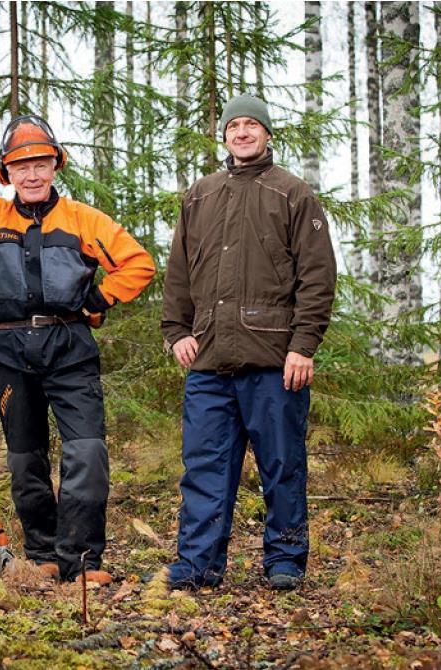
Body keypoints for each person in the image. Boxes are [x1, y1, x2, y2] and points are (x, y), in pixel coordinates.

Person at [0, 111, 156, 584]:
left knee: (86, 454)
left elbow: (138, 263)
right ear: (7, 173)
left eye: (41, 163)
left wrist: (98, 299)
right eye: (22, 166)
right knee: (26, 460)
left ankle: (81, 561)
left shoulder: (84, 220)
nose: (33, 173)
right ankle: (43, 555)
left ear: (56, 166)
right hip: (8, 353)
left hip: (70, 348)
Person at [160, 94, 337, 591]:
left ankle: (285, 559)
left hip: (274, 361)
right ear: (224, 137)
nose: (241, 133)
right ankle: (198, 564)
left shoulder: (293, 194)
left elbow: (318, 276)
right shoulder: (200, 195)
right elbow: (178, 273)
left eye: (250, 125)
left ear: (266, 134)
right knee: (204, 468)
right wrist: (177, 332)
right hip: (209, 360)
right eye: (233, 125)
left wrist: (303, 345)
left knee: (282, 465)